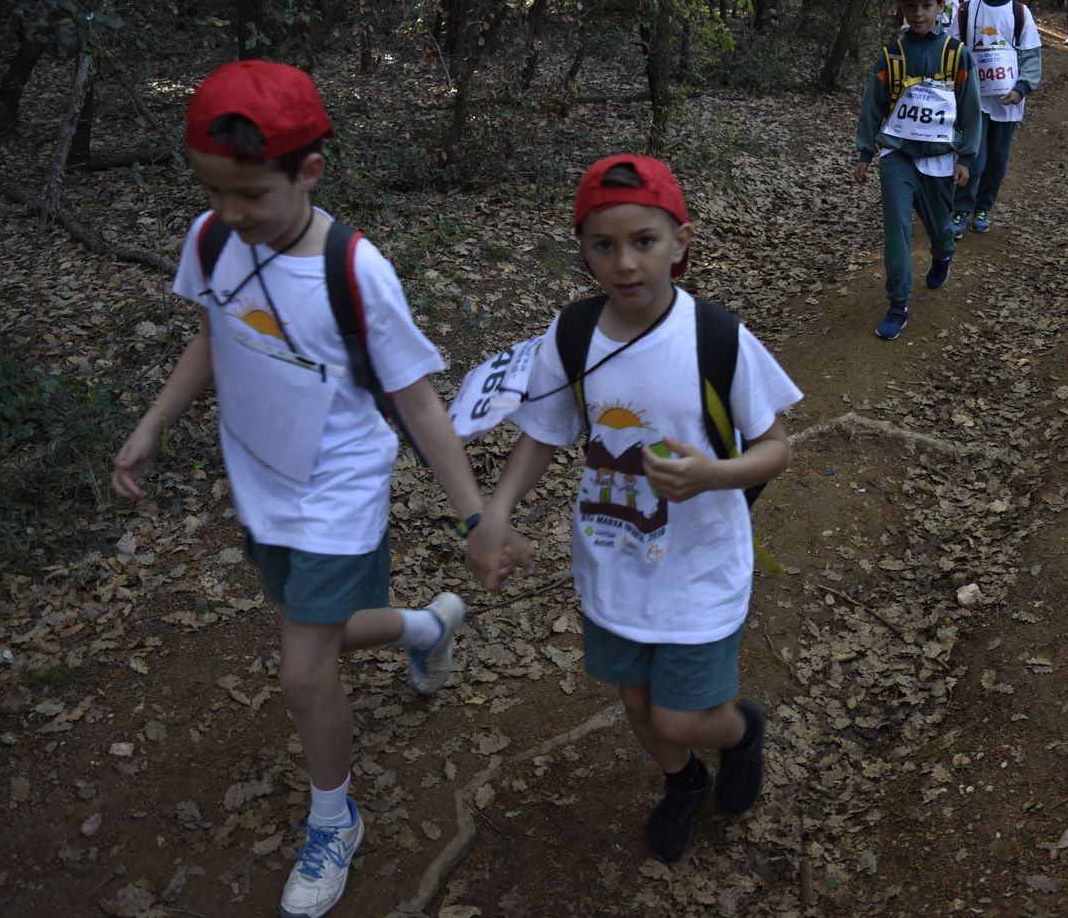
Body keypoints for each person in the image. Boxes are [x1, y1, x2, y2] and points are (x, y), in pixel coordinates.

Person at [111, 60, 524, 918]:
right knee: (322, 634)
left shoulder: (355, 272)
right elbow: (214, 334)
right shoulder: (213, 238)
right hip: (259, 479)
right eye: (212, 190)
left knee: (303, 674)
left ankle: (335, 821)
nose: (230, 211)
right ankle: (426, 625)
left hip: (338, 490)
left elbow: (418, 401)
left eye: (250, 193)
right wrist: (154, 422)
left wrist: (476, 515)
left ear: (308, 171)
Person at [466, 154, 802, 866]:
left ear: (680, 241)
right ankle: (684, 782)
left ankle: (740, 732)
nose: (625, 263)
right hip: (613, 561)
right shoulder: (572, 335)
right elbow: (545, 432)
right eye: (604, 245)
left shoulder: (716, 338)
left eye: (644, 241)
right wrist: (495, 512)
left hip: (700, 566)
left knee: (681, 714)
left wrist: (714, 474)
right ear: (582, 250)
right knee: (639, 707)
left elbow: (776, 446)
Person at [854, 0, 982, 340]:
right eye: (911, 6)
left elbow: (971, 110)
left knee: (941, 231)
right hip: (897, 155)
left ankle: (943, 254)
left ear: (941, 6)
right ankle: (898, 305)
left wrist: (966, 157)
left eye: (926, 5)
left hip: (939, 159)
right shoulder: (891, 55)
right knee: (897, 228)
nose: (918, 14)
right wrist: (865, 152)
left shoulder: (956, 55)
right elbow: (873, 106)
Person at [950, 0, 1043, 237]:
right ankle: (960, 209)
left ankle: (983, 207)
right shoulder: (967, 10)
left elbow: (1031, 57)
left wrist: (1022, 87)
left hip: (1007, 102)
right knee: (972, 158)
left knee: (997, 160)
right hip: (974, 100)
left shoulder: (1020, 13)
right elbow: (952, 50)